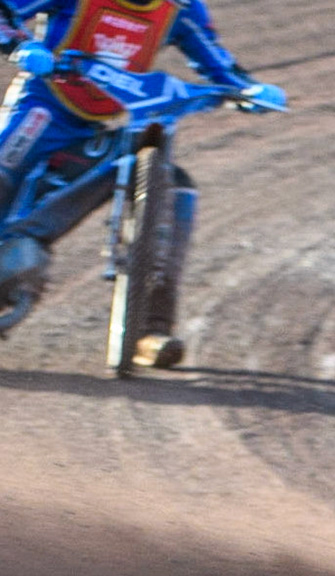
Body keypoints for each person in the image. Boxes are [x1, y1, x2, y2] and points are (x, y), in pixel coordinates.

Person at [0, 0, 282, 364]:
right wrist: (22, 44)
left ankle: (151, 330)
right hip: (41, 110)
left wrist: (249, 90)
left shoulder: (180, 8)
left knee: (173, 188)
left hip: (102, 127)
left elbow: (217, 62)